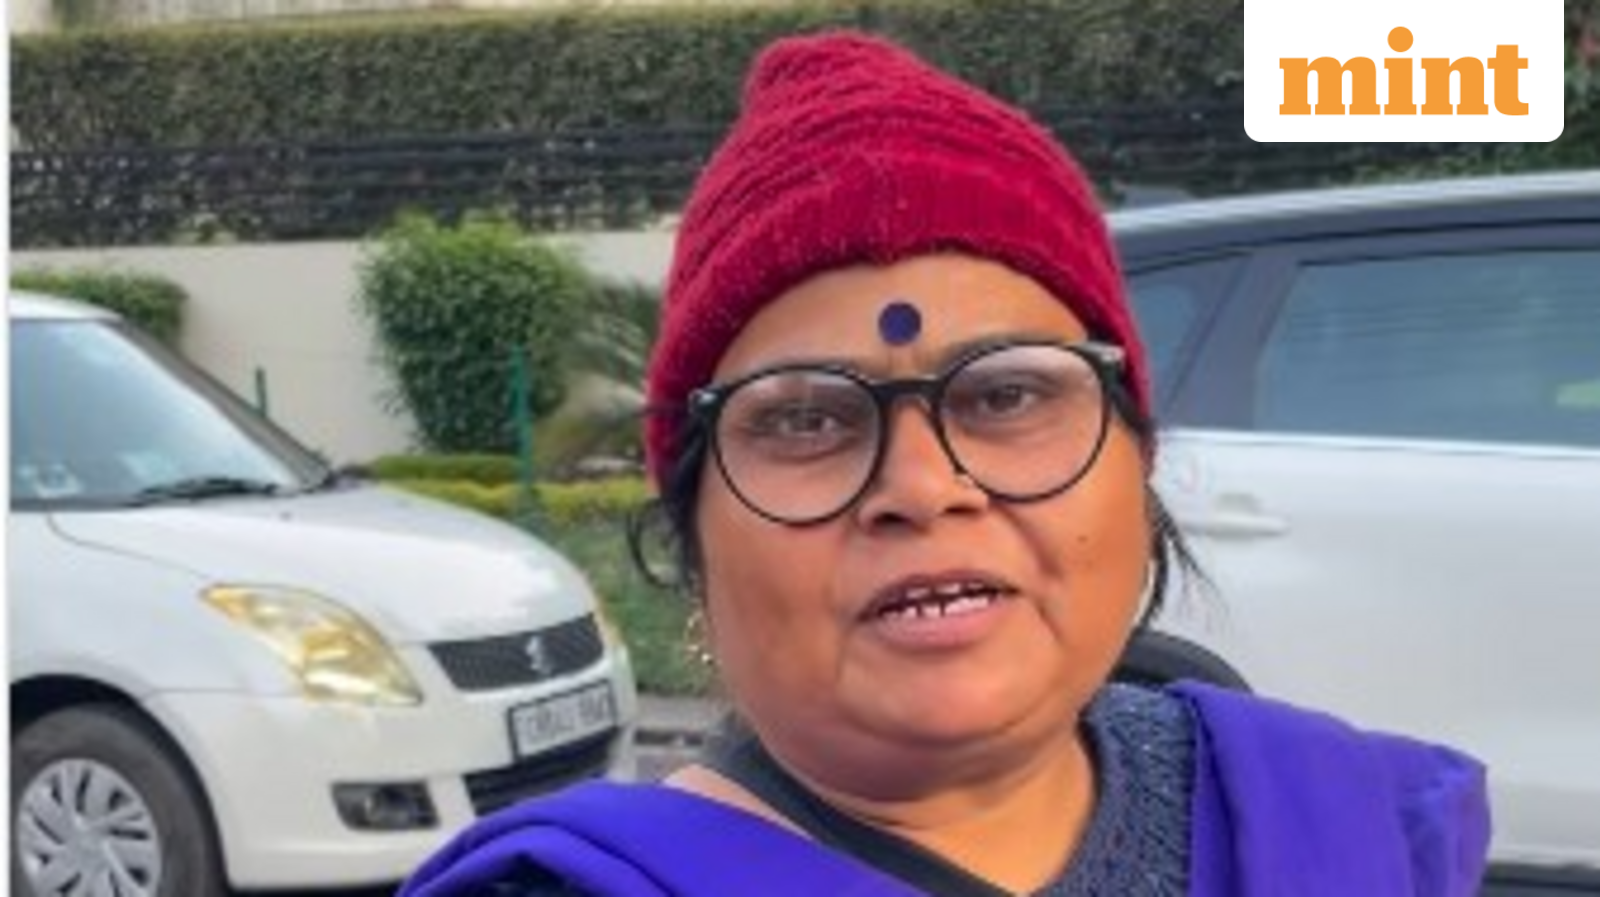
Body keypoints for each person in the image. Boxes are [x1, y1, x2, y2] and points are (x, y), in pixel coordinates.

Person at [400, 30, 1490, 897]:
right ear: (692, 537)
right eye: (805, 421)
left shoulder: (1337, 824)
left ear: (1139, 463)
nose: (922, 488)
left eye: (1006, 395)